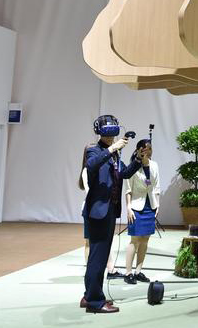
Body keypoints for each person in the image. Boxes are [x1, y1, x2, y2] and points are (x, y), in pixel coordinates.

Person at [81, 115, 142, 314]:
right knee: (98, 258)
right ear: (100, 132)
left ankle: (89, 295)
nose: (110, 137)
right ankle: (95, 302)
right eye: (107, 133)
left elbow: (124, 174)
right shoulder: (94, 150)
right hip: (98, 212)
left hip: (109, 211)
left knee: (98, 256)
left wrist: (137, 159)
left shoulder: (114, 155)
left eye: (112, 134)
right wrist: (112, 148)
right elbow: (91, 165)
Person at [78, 148, 125, 279]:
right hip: (92, 209)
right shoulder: (88, 170)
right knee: (90, 242)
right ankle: (90, 269)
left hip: (101, 209)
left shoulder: (103, 168)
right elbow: (90, 191)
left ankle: (110, 268)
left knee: (103, 242)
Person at [123, 139, 159, 284]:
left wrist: (158, 205)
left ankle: (138, 271)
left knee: (145, 240)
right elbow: (128, 190)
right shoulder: (132, 167)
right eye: (144, 149)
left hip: (150, 206)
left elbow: (156, 187)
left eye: (150, 148)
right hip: (136, 207)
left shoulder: (154, 165)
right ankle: (128, 273)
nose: (148, 151)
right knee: (135, 240)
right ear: (138, 150)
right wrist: (128, 208)